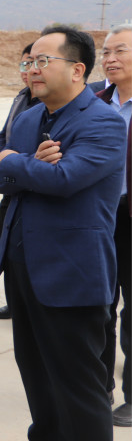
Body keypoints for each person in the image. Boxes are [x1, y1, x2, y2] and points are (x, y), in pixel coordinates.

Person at [0, 25, 126, 440]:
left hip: (71, 272)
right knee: (36, 376)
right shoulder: (28, 117)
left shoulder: (104, 122)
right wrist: (28, 164)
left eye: (43, 61)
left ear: (78, 70)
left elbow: (65, 179)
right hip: (21, 264)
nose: (32, 68)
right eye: (29, 61)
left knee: (79, 387)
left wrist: (16, 162)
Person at [96, 24, 132, 427]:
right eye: (106, 52)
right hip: (100, 216)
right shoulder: (95, 101)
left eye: (119, 50)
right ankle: (98, 386)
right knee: (99, 307)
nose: (110, 58)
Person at [0, 43, 38, 321]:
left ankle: (28, 302)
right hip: (10, 188)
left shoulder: (49, 103)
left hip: (32, 190)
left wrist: (11, 163)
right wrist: (1, 165)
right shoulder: (21, 97)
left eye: (34, 63)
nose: (28, 70)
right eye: (24, 64)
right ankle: (14, 301)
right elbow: (3, 141)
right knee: (4, 243)